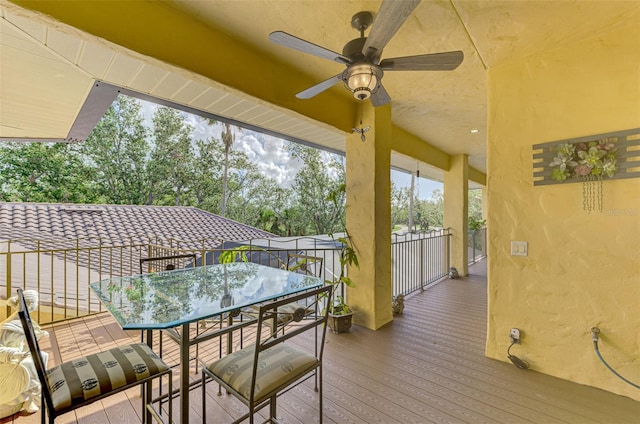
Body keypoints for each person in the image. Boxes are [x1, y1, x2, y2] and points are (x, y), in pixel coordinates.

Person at [0, 290, 48, 415]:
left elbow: (29, 336)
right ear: (30, 305)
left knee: (42, 356)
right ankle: (36, 396)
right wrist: (16, 353)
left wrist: (40, 333)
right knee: (32, 363)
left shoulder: (22, 320)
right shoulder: (9, 327)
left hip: (16, 356)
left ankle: (31, 397)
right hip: (6, 362)